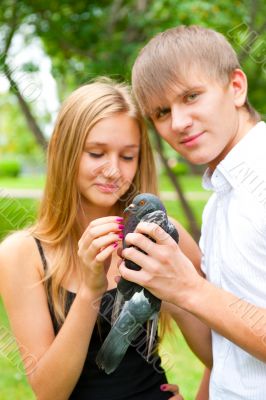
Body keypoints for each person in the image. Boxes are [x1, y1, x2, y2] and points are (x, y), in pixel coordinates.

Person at [0, 77, 207, 399]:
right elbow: (49, 392)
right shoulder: (22, 254)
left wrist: (180, 294)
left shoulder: (163, 235)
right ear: (63, 152)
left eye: (128, 157)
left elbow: (221, 353)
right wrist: (89, 290)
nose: (113, 170)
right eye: (96, 153)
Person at [119, 25, 266, 399]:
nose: (179, 123)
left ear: (236, 87)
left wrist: (188, 288)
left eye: (192, 96)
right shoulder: (221, 199)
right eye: (163, 112)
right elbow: (230, 350)